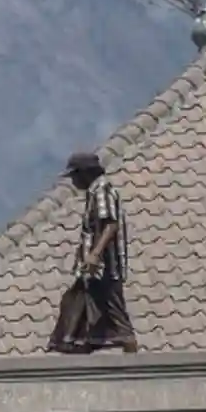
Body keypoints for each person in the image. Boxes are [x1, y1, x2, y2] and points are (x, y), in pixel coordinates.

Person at [47, 151, 140, 354]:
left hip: (103, 269)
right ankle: (78, 345)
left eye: (75, 176)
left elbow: (110, 224)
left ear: (85, 174)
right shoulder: (94, 192)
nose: (73, 181)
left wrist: (95, 253)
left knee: (116, 316)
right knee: (79, 308)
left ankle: (135, 364)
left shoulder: (101, 191)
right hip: (91, 271)